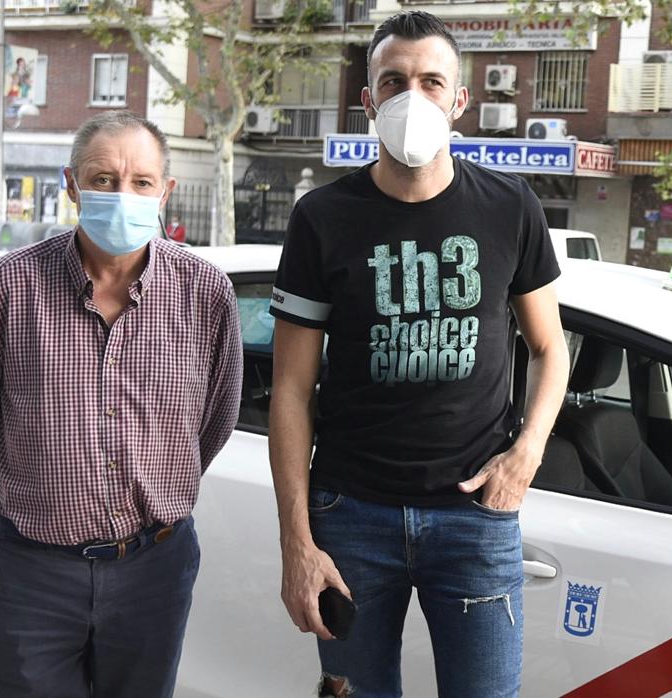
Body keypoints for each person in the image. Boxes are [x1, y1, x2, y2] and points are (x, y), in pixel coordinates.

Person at [267, 11, 568, 698]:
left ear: (459, 100)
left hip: (474, 517)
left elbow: (551, 349)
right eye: (394, 81)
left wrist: (525, 456)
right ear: (369, 100)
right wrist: (297, 544)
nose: (413, 97)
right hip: (351, 516)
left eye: (432, 81)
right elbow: (290, 390)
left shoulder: (510, 207)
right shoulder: (321, 218)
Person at [0, 110, 243, 697]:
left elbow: (216, 418)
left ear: (164, 192)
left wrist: (151, 476)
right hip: (34, 570)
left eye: (140, 182)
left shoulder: (205, 294)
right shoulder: (5, 288)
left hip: (155, 564)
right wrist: (42, 462)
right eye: (103, 179)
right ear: (71, 184)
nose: (122, 194)